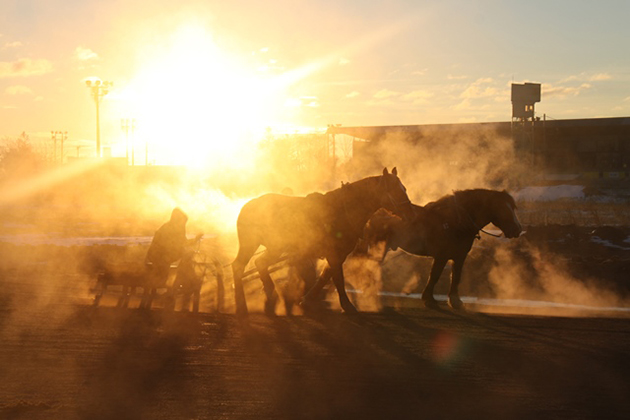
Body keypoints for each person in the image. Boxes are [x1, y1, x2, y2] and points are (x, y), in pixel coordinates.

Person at [142, 207, 202, 308]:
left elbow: (182, 243)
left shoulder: (173, 227)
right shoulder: (168, 228)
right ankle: (181, 285)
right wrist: (194, 241)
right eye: (182, 221)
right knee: (183, 262)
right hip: (159, 257)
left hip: (165, 256)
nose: (183, 224)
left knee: (186, 258)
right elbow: (177, 245)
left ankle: (183, 283)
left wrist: (194, 240)